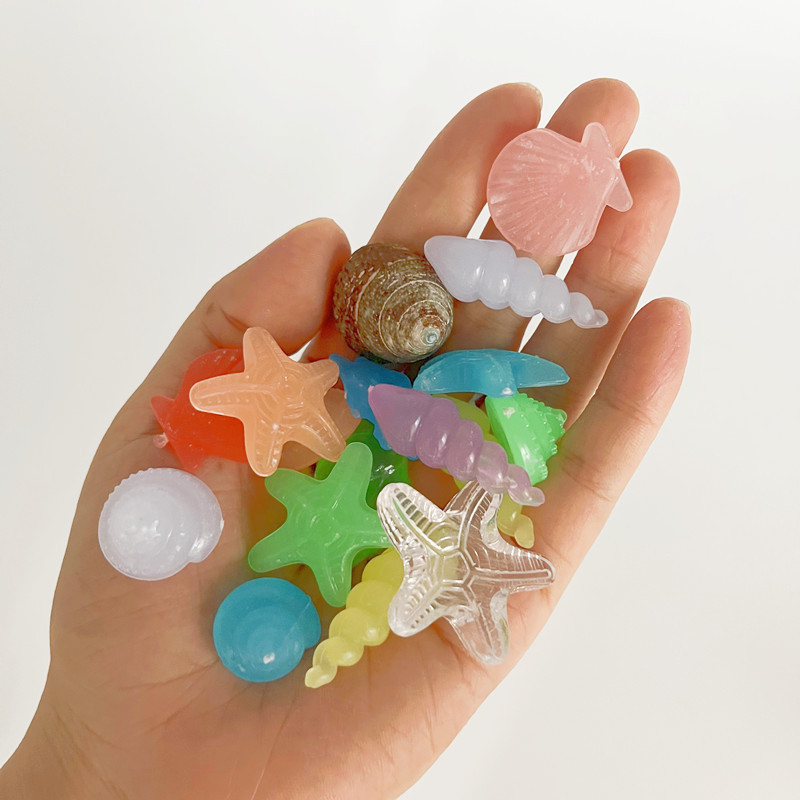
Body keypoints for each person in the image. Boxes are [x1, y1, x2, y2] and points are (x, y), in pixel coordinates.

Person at [0, 79, 690, 800]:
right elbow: (343, 445)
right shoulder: (365, 439)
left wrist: (90, 769)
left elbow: (362, 447)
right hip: (395, 448)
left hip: (408, 436)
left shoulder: (398, 435)